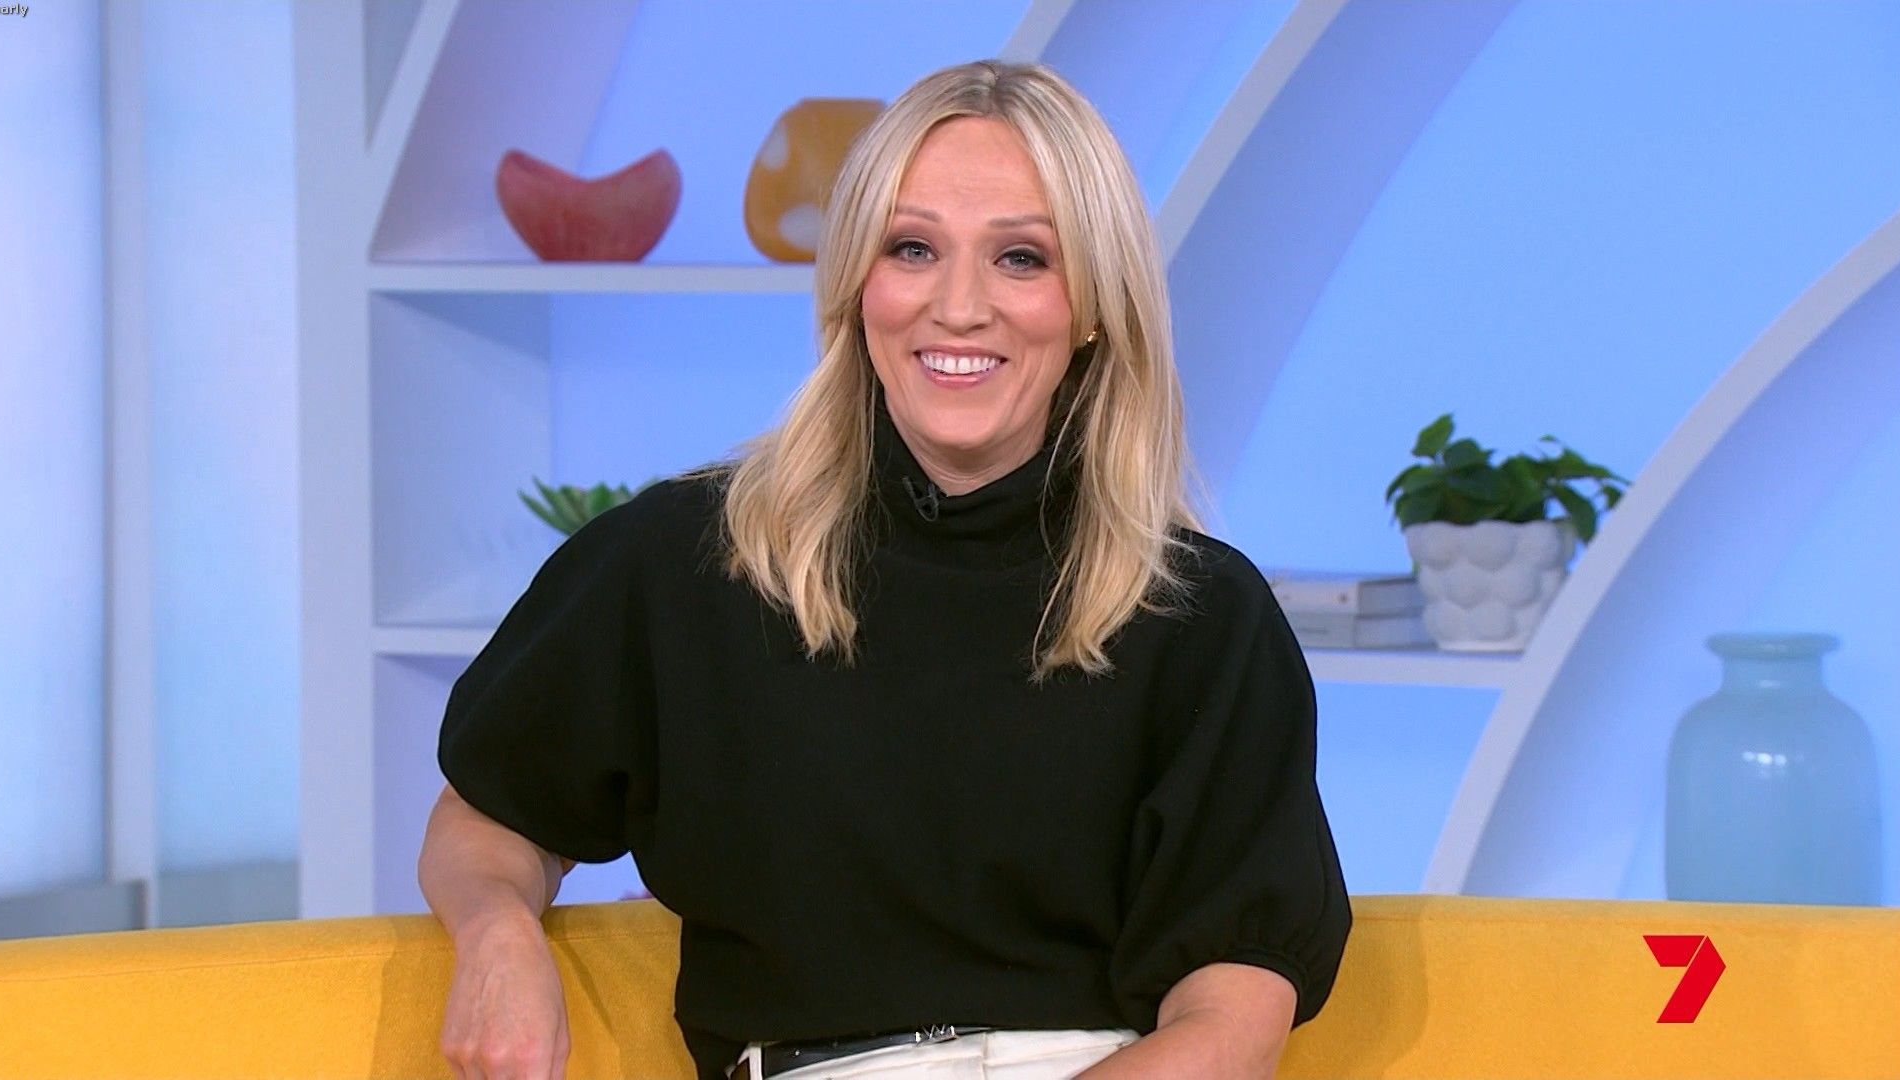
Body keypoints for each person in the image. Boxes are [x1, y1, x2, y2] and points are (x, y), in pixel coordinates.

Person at [419, 59, 1352, 1080]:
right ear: (857, 285)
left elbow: (1231, 1021)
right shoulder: (682, 562)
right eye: (913, 248)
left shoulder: (1204, 616)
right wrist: (496, 933)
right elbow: (491, 815)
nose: (959, 307)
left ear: (1092, 305)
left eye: (1022, 258)